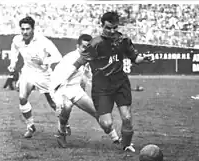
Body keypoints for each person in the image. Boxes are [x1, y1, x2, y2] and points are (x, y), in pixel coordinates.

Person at [50, 12, 154, 152]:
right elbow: (78, 63)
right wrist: (62, 83)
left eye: (114, 28)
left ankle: (126, 145)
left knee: (127, 117)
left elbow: (134, 58)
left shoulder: (123, 40)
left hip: (120, 83)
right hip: (102, 88)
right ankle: (62, 131)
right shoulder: (95, 44)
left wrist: (144, 59)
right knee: (106, 123)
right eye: (108, 28)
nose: (112, 31)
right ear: (102, 26)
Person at [51, 34, 120, 148]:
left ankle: (116, 138)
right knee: (66, 106)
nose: (86, 49)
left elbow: (88, 75)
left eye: (89, 47)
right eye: (84, 47)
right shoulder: (70, 58)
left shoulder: (88, 57)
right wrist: (59, 100)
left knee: (98, 112)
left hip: (75, 89)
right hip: (62, 88)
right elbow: (57, 79)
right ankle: (61, 133)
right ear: (77, 46)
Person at [8, 16, 66, 138]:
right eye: (22, 29)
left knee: (54, 103)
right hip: (28, 72)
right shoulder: (17, 40)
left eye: (27, 29)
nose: (25, 32)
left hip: (44, 74)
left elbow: (58, 57)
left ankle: (64, 125)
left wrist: (43, 61)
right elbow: (14, 50)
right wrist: (12, 64)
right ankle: (30, 126)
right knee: (22, 98)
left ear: (33, 29)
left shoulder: (43, 41)